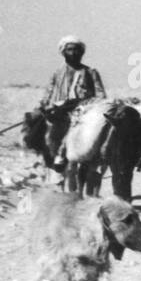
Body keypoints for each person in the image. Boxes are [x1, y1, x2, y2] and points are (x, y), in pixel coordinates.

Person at [39, 36, 107, 176]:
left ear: (81, 53)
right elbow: (48, 93)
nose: (73, 53)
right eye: (69, 50)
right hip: (58, 112)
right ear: (63, 52)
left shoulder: (90, 72)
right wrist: (44, 106)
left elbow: (101, 96)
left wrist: (85, 104)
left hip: (83, 111)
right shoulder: (57, 73)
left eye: (77, 50)